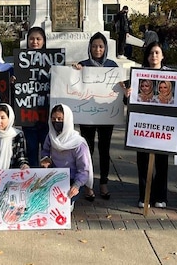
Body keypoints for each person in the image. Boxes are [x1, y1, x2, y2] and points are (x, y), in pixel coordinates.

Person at [74, 32, 122, 200]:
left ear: (105, 48)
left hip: (106, 116)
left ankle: (103, 183)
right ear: (89, 48)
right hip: (87, 116)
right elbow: (73, 85)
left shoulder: (112, 65)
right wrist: (75, 71)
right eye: (94, 46)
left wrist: (124, 85)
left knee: (104, 149)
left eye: (101, 46)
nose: (97, 49)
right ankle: (88, 185)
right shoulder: (82, 65)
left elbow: (119, 88)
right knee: (87, 151)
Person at [136, 41, 171, 208]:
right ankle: (144, 196)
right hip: (143, 126)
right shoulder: (138, 75)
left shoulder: (172, 76)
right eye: (151, 53)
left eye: (157, 52)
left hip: (163, 126)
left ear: (162, 55)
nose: (154, 56)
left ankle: (160, 197)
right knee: (143, 162)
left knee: (162, 163)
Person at [40, 104, 93, 211]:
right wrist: (45, 159)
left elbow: (84, 170)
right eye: (54, 119)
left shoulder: (78, 143)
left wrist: (76, 185)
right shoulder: (51, 137)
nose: (56, 122)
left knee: (63, 207)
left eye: (60, 119)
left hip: (73, 180)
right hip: (55, 176)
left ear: (67, 120)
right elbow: (45, 151)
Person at [22, 27, 49, 167]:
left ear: (44, 41)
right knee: (31, 150)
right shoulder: (20, 62)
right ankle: (32, 183)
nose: (35, 42)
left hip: (46, 116)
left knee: (47, 152)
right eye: (31, 38)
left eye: (38, 39)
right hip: (28, 116)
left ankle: (47, 182)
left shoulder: (52, 62)